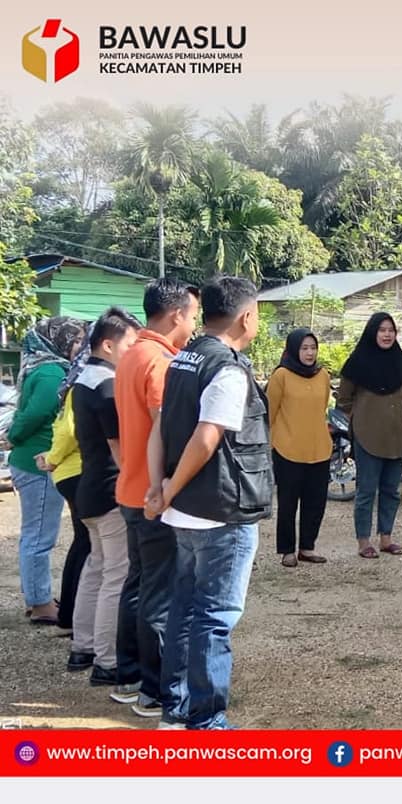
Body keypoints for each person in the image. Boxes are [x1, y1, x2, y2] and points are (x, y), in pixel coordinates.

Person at [146, 276, 272, 730]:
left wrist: (160, 487)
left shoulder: (183, 359)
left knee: (184, 609)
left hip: (184, 512)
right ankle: (206, 721)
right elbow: (206, 438)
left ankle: (176, 710)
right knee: (214, 617)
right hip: (220, 512)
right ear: (246, 316)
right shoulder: (227, 369)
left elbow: (160, 428)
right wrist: (168, 489)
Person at [112, 278, 199, 716]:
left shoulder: (131, 354)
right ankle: (155, 689)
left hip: (130, 488)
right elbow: (164, 428)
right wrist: (166, 488)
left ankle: (128, 674)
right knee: (160, 594)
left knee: (139, 585)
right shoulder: (160, 362)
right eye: (193, 315)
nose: (194, 324)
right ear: (176, 315)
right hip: (153, 493)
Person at [71, 307, 142, 686]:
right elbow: (118, 446)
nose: (134, 352)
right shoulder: (107, 386)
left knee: (96, 567)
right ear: (109, 345)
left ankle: (82, 647)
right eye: (130, 344)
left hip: (89, 487)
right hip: (111, 489)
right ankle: (107, 660)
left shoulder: (83, 379)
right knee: (116, 573)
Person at [7, 317, 86, 625]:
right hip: (38, 463)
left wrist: (15, 437)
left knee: (34, 533)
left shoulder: (41, 367)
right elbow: (35, 414)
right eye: (74, 340)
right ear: (58, 340)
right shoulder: (53, 373)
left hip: (29, 460)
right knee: (40, 535)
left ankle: (36, 597)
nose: (79, 346)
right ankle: (40, 604)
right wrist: (14, 436)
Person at [337, 312, 402, 559]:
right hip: (367, 435)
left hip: (395, 434)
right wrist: (361, 418)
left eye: (391, 330)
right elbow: (344, 400)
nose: (387, 334)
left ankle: (386, 538)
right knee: (366, 491)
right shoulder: (357, 362)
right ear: (372, 332)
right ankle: (363, 541)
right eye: (382, 330)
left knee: (391, 490)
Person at [35, 324, 92, 636]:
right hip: (77, 470)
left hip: (70, 470)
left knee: (83, 543)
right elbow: (69, 430)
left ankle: (69, 614)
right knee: (87, 545)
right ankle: (71, 616)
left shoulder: (74, 375)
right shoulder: (84, 379)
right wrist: (53, 458)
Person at [266, 328, 333, 567]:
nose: (309, 353)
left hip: (319, 448)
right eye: (304, 348)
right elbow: (270, 412)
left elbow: (322, 407)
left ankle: (307, 547)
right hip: (287, 449)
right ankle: (287, 551)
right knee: (288, 503)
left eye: (313, 348)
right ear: (294, 349)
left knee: (315, 502)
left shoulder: (323, 375)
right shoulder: (281, 375)